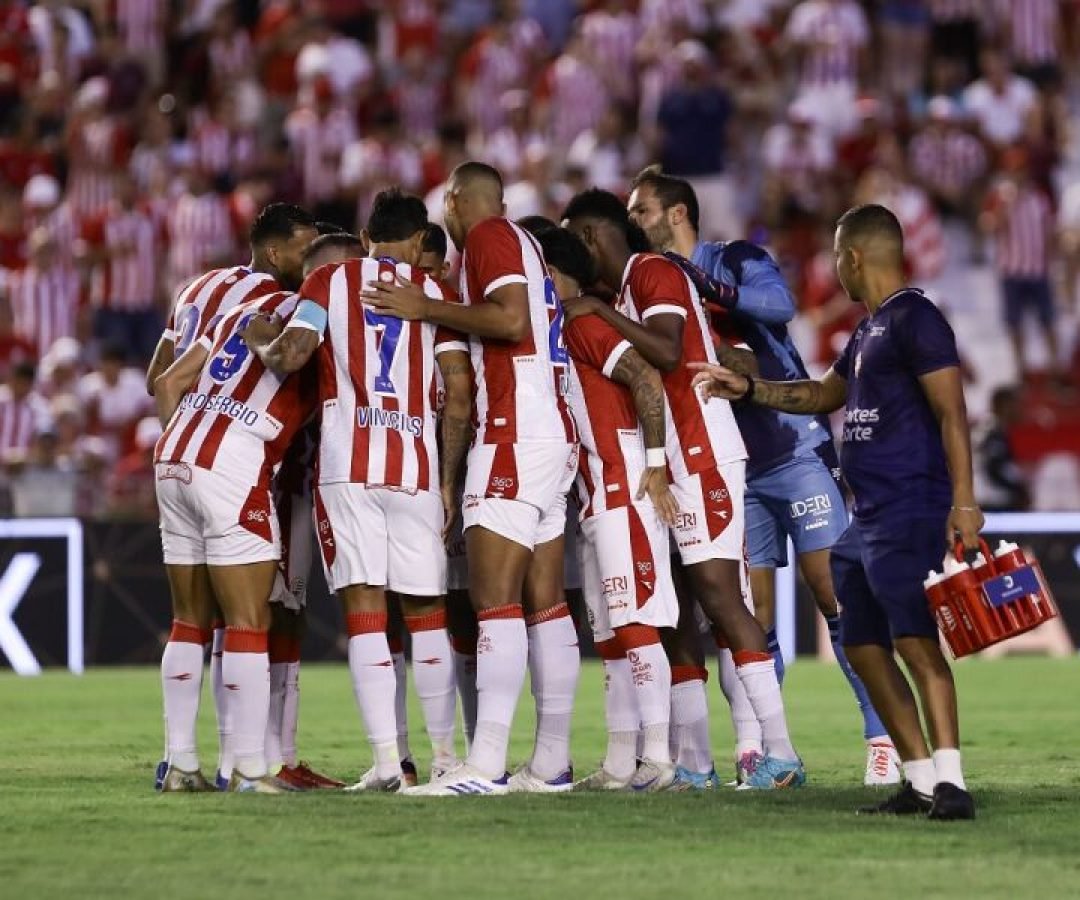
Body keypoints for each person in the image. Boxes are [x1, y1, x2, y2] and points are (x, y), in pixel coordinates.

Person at [691, 203, 981, 820]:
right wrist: (751, 389)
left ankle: (952, 782)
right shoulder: (867, 330)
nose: (834, 270)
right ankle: (920, 777)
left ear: (852, 257)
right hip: (865, 515)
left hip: (910, 505)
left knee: (914, 641)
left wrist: (964, 502)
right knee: (863, 642)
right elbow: (825, 393)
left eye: (836, 257)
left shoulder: (916, 318)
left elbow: (953, 412)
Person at [627, 167, 897, 785]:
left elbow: (779, 306)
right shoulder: (647, 287)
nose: (633, 223)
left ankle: (881, 737)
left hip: (792, 451)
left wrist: (699, 280)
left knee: (835, 597)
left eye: (641, 211)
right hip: (728, 467)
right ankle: (765, 752)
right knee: (747, 618)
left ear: (676, 215)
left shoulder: (734, 258)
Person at [561, 188, 803, 791]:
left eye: (572, 243)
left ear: (592, 238)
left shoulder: (653, 270)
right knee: (679, 618)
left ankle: (780, 753)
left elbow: (669, 351)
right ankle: (695, 763)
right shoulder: (627, 289)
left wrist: (597, 313)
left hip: (706, 453)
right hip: (670, 463)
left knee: (722, 599)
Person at [243, 194, 473, 791]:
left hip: (348, 465)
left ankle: (387, 762)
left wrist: (261, 336)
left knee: (366, 614)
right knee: (426, 614)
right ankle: (446, 761)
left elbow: (292, 355)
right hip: (417, 464)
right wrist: (449, 482)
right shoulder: (435, 293)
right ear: (420, 237)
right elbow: (460, 391)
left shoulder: (328, 280)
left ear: (367, 235)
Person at [363, 162, 578, 796]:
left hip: (515, 431)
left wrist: (426, 306)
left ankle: (485, 764)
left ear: (455, 201)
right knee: (546, 603)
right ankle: (552, 764)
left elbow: (510, 322)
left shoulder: (488, 236)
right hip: (549, 434)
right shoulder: (529, 245)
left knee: (495, 604)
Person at [146, 202, 317, 791]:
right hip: (234, 462)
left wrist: (193, 442)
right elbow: (292, 360)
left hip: (175, 454)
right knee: (247, 621)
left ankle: (181, 764)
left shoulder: (228, 306)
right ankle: (247, 769)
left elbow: (164, 381)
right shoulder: (309, 312)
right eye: (307, 248)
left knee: (188, 621)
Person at [539, 226, 680, 792]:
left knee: (636, 624)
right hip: (594, 495)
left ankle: (661, 760)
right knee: (612, 633)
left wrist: (655, 461)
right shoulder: (559, 327)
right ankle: (623, 762)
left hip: (626, 488)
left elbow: (646, 375)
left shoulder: (584, 323)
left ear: (551, 273)